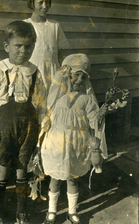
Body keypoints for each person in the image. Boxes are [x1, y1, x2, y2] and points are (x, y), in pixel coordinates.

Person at [0, 21, 45, 224]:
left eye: (28, 46)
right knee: (3, 168)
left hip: (28, 127)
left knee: (22, 167)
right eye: (18, 46)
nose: (23, 51)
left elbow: (41, 104)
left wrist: (41, 130)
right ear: (7, 46)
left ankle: (21, 212)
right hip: (4, 128)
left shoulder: (35, 72)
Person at [40, 54, 108, 224]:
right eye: (75, 75)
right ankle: (52, 211)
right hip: (57, 143)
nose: (79, 79)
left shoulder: (86, 100)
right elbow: (47, 116)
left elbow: (93, 122)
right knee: (55, 178)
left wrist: (101, 114)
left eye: (83, 77)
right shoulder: (56, 97)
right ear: (66, 75)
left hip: (76, 144)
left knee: (72, 177)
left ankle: (72, 211)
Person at [24, 0, 70, 102]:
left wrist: (64, 73)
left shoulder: (54, 25)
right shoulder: (25, 25)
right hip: (34, 72)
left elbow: (61, 53)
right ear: (31, 3)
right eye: (40, 3)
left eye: (47, 2)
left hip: (54, 74)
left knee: (54, 103)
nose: (45, 6)